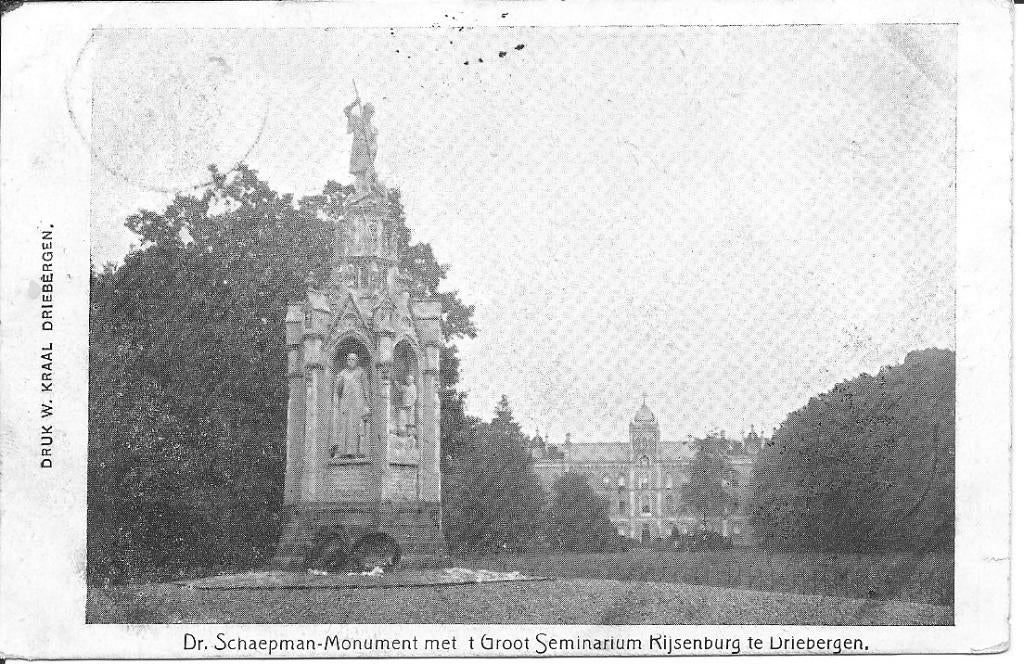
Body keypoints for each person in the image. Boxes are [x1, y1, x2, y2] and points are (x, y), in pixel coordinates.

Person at [333, 352, 371, 456]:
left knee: (357, 428)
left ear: (357, 361)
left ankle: (356, 452)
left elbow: (366, 389)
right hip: (346, 404)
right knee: (344, 427)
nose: (350, 361)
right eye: (349, 359)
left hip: (358, 405)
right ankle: (343, 451)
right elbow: (338, 389)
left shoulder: (361, 372)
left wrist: (367, 404)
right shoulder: (343, 373)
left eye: (353, 359)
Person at [343, 98, 378, 197]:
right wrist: (354, 103)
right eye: (367, 112)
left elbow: (374, 143)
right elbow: (346, 111)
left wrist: (373, 152)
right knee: (359, 172)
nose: (369, 114)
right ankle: (360, 192)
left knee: (368, 171)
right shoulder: (357, 120)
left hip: (367, 152)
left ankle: (366, 191)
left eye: (371, 113)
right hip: (358, 150)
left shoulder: (372, 128)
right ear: (363, 111)